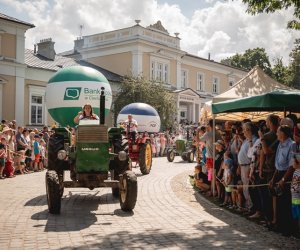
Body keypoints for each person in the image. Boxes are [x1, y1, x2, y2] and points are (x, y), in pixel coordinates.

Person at [291, 152, 300, 238]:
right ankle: (297, 230)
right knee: (296, 216)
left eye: (293, 161)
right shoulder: (295, 172)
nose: (292, 163)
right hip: (294, 197)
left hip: (298, 198)